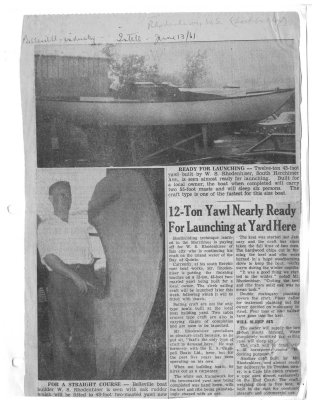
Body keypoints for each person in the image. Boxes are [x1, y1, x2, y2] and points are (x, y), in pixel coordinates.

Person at [37, 181, 105, 380]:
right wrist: (76, 278)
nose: (65, 199)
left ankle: (87, 378)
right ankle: (65, 382)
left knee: (86, 330)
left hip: (85, 275)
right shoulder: (46, 226)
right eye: (60, 195)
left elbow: (101, 215)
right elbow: (49, 257)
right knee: (62, 333)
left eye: (68, 194)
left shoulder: (80, 222)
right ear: (50, 199)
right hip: (61, 279)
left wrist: (92, 272)